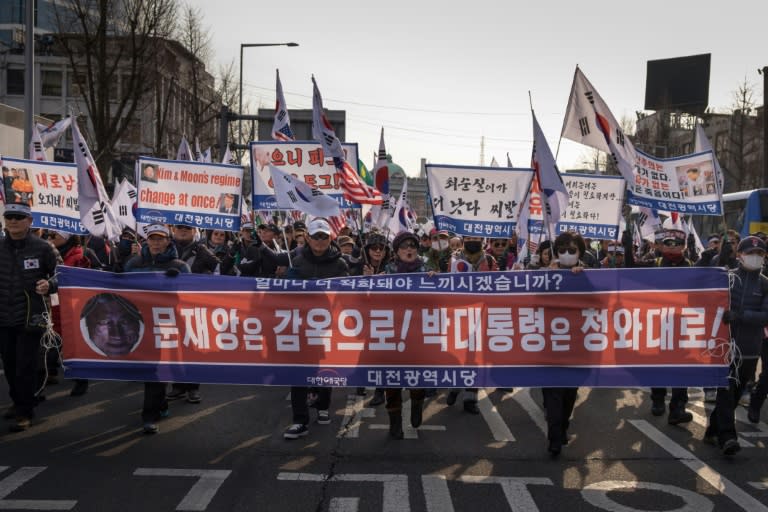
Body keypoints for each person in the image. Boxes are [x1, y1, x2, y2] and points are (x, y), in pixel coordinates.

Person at [283, 218, 349, 440]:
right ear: (308, 238)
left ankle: (323, 405)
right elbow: (280, 294)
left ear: (330, 238)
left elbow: (348, 295)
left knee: (325, 370)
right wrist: (285, 279)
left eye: (324, 236)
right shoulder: (296, 260)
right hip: (300, 326)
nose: (320, 241)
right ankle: (299, 420)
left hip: (328, 326)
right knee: (298, 372)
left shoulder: (340, 263)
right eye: (315, 236)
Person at [624, 227, 695, 425]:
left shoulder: (691, 266)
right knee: (657, 362)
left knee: (683, 367)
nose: (673, 247)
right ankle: (657, 399)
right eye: (668, 243)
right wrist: (628, 246)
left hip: (682, 324)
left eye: (677, 243)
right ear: (661, 246)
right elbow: (630, 269)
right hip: (657, 323)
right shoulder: (653, 263)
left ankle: (678, 407)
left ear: (684, 246)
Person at [124, 224, 190, 433]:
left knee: (157, 367)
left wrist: (176, 283)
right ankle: (159, 405)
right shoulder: (133, 263)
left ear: (168, 241)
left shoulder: (180, 266)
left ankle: (148, 415)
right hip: (140, 323)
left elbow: (192, 295)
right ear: (146, 240)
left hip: (166, 324)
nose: (156, 242)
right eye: (152, 238)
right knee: (148, 368)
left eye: (160, 238)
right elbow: (124, 290)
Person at [705, 236, 768, 456]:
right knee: (725, 391)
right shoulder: (727, 279)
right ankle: (727, 437)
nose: (755, 257)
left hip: (750, 351)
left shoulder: (765, 284)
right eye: (750, 253)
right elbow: (708, 301)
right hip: (724, 348)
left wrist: (740, 316)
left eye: (759, 254)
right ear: (739, 255)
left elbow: (765, 316)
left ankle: (712, 430)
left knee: (735, 393)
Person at [0, 203, 60, 432]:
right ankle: (19, 402)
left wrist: (50, 284)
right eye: (9, 217)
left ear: (29, 221)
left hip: (31, 317)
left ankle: (25, 412)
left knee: (25, 366)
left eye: (18, 217)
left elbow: (61, 273)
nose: (13, 221)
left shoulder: (44, 247)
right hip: (3, 317)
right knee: (10, 364)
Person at [542, 231, 586, 456]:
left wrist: (583, 278)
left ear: (580, 252)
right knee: (552, 394)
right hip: (549, 346)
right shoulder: (545, 274)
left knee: (569, 394)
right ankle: (554, 437)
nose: (567, 254)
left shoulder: (590, 275)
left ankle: (562, 426)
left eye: (572, 250)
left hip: (577, 347)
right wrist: (547, 279)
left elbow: (600, 302)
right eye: (562, 250)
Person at [382, 231, 430, 439]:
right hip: (391, 332)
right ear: (396, 251)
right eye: (404, 246)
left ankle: (417, 403)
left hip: (418, 334)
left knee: (417, 377)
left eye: (412, 246)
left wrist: (436, 281)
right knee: (391, 380)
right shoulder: (388, 270)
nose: (409, 250)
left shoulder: (426, 269)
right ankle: (394, 422)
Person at [446, 235, 498, 414]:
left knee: (474, 358)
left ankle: (470, 398)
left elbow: (498, 286)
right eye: (469, 237)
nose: (472, 240)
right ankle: (454, 387)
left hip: (482, 317)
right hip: (458, 317)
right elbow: (446, 284)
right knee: (458, 356)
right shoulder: (454, 260)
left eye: (476, 237)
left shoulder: (490, 261)